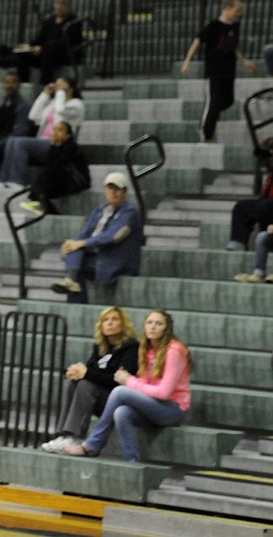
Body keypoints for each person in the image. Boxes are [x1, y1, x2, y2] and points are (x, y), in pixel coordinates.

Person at [64, 309, 192, 462]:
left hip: (172, 409)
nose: (152, 327)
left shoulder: (174, 351)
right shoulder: (146, 348)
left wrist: (129, 381)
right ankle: (132, 463)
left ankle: (92, 445)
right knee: (122, 413)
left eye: (158, 324)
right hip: (153, 404)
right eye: (149, 323)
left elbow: (164, 393)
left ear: (167, 328)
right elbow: (146, 383)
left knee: (120, 392)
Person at [41, 306, 138, 453]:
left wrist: (85, 374)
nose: (109, 323)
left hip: (115, 400)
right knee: (71, 383)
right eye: (106, 320)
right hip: (97, 397)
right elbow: (89, 370)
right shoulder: (100, 347)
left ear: (123, 324)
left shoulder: (131, 347)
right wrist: (74, 372)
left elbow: (117, 380)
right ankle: (63, 435)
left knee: (86, 385)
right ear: (101, 325)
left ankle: (76, 435)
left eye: (114, 319)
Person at [51, 172, 142, 304]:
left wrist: (81, 243)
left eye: (117, 189)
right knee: (74, 249)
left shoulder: (130, 212)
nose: (113, 192)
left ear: (125, 191)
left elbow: (113, 237)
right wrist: (71, 244)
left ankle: (73, 291)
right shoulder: (99, 210)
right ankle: (71, 282)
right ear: (105, 190)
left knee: (78, 258)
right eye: (110, 188)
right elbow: (85, 233)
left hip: (115, 260)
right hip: (95, 256)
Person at [181, 0, 255, 143]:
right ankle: (206, 133)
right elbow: (197, 42)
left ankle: (211, 115)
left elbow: (233, 47)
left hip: (229, 71)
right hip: (214, 71)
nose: (238, 14)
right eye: (237, 10)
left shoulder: (235, 26)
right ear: (228, 8)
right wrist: (187, 61)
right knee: (213, 102)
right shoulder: (213, 26)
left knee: (228, 100)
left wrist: (244, 62)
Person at [0, 76, 84, 186]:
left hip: (59, 144)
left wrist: (60, 94)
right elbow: (33, 116)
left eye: (61, 84)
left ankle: (16, 181)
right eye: (57, 83)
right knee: (11, 140)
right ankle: (3, 179)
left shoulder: (76, 104)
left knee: (19, 143)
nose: (57, 86)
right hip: (42, 141)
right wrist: (45, 95)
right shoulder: (54, 103)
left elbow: (61, 111)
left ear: (71, 88)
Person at [0, 0, 83, 85]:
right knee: (23, 55)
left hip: (64, 55)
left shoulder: (74, 22)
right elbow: (39, 38)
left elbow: (65, 43)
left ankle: (45, 85)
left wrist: (43, 48)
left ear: (68, 6)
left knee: (47, 55)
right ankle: (23, 83)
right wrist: (29, 46)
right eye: (57, 3)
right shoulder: (49, 21)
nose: (60, 6)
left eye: (63, 4)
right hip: (45, 52)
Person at [19, 121, 90, 216]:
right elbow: (48, 165)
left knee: (44, 181)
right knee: (42, 188)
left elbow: (58, 165)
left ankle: (40, 200)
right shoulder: (53, 148)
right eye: (54, 129)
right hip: (59, 179)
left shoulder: (72, 148)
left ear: (67, 136)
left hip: (76, 181)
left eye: (60, 130)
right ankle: (45, 205)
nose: (55, 132)